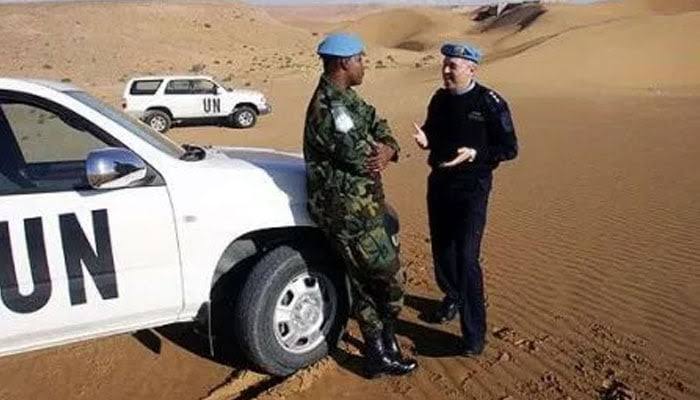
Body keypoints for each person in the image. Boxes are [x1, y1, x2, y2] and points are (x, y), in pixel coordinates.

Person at [303, 33, 417, 377]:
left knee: (366, 280)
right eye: (359, 60)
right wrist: (383, 150)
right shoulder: (330, 109)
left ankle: (380, 349)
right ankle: (381, 344)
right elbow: (362, 157)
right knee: (388, 276)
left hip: (363, 207)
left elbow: (378, 124)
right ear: (343, 63)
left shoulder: (348, 99)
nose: (363, 66)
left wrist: (389, 147)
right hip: (348, 212)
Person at [413, 42, 518, 356]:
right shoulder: (439, 99)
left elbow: (509, 148)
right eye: (444, 65)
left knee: (466, 257)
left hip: (472, 187)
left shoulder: (490, 102)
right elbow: (433, 132)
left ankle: (474, 336)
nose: (446, 71)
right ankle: (453, 297)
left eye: (453, 66)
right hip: (440, 183)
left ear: (472, 69)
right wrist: (425, 139)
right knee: (443, 251)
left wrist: (476, 153)